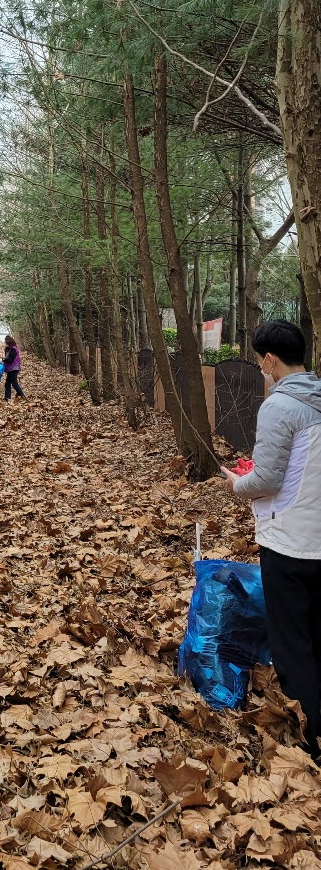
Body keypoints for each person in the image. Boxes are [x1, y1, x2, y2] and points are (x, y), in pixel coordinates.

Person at [221, 320, 321, 761]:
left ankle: (310, 734)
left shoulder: (279, 405)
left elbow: (266, 480)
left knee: (293, 639)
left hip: (291, 541)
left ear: (269, 359)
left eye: (261, 360)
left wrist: (236, 484)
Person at [3, 335, 25, 400]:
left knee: (14, 384)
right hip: (11, 369)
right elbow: (8, 358)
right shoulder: (9, 349)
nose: (6, 343)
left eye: (7, 342)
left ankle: (22, 396)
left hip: (13, 369)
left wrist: (3, 360)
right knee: (7, 384)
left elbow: (10, 359)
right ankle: (7, 398)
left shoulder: (13, 349)